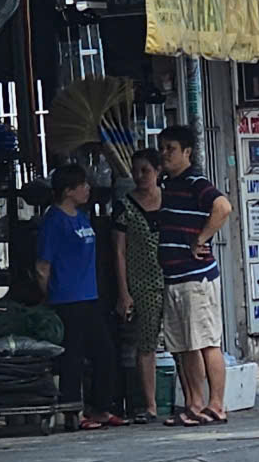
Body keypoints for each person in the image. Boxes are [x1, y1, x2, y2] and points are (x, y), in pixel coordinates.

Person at [155, 125, 230, 426]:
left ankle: (216, 404)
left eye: (170, 148)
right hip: (174, 276)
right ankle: (193, 403)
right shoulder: (168, 184)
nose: (165, 154)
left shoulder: (196, 181)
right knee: (184, 345)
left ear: (186, 152)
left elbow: (223, 207)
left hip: (195, 276)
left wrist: (203, 238)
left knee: (206, 341)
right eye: (162, 148)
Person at [39, 165, 123, 430]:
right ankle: (73, 410)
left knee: (104, 352)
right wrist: (48, 295)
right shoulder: (54, 220)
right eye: (82, 185)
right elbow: (43, 266)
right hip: (66, 298)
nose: (87, 189)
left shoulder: (82, 217)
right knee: (72, 356)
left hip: (90, 295)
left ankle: (100, 407)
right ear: (68, 191)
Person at [111, 148, 168, 424]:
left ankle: (192, 399)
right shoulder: (125, 206)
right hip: (141, 284)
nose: (140, 176)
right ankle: (150, 404)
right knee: (145, 344)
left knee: (183, 343)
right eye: (136, 171)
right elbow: (119, 251)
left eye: (146, 170)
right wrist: (124, 292)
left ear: (158, 171)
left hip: (172, 277)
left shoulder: (169, 200)